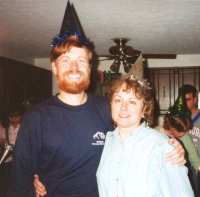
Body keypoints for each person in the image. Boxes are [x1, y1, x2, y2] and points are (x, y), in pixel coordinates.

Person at [13, 32, 185, 197]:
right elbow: (20, 180)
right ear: (54, 67)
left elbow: (134, 131)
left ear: (90, 67)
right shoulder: (36, 118)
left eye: (81, 60)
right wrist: (32, 181)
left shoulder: (107, 108)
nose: (74, 68)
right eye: (66, 60)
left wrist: (172, 147)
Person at [96, 76, 194, 197]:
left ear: (144, 110)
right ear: (111, 104)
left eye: (132, 101)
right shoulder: (109, 141)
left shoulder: (161, 146)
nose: (123, 107)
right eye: (118, 100)